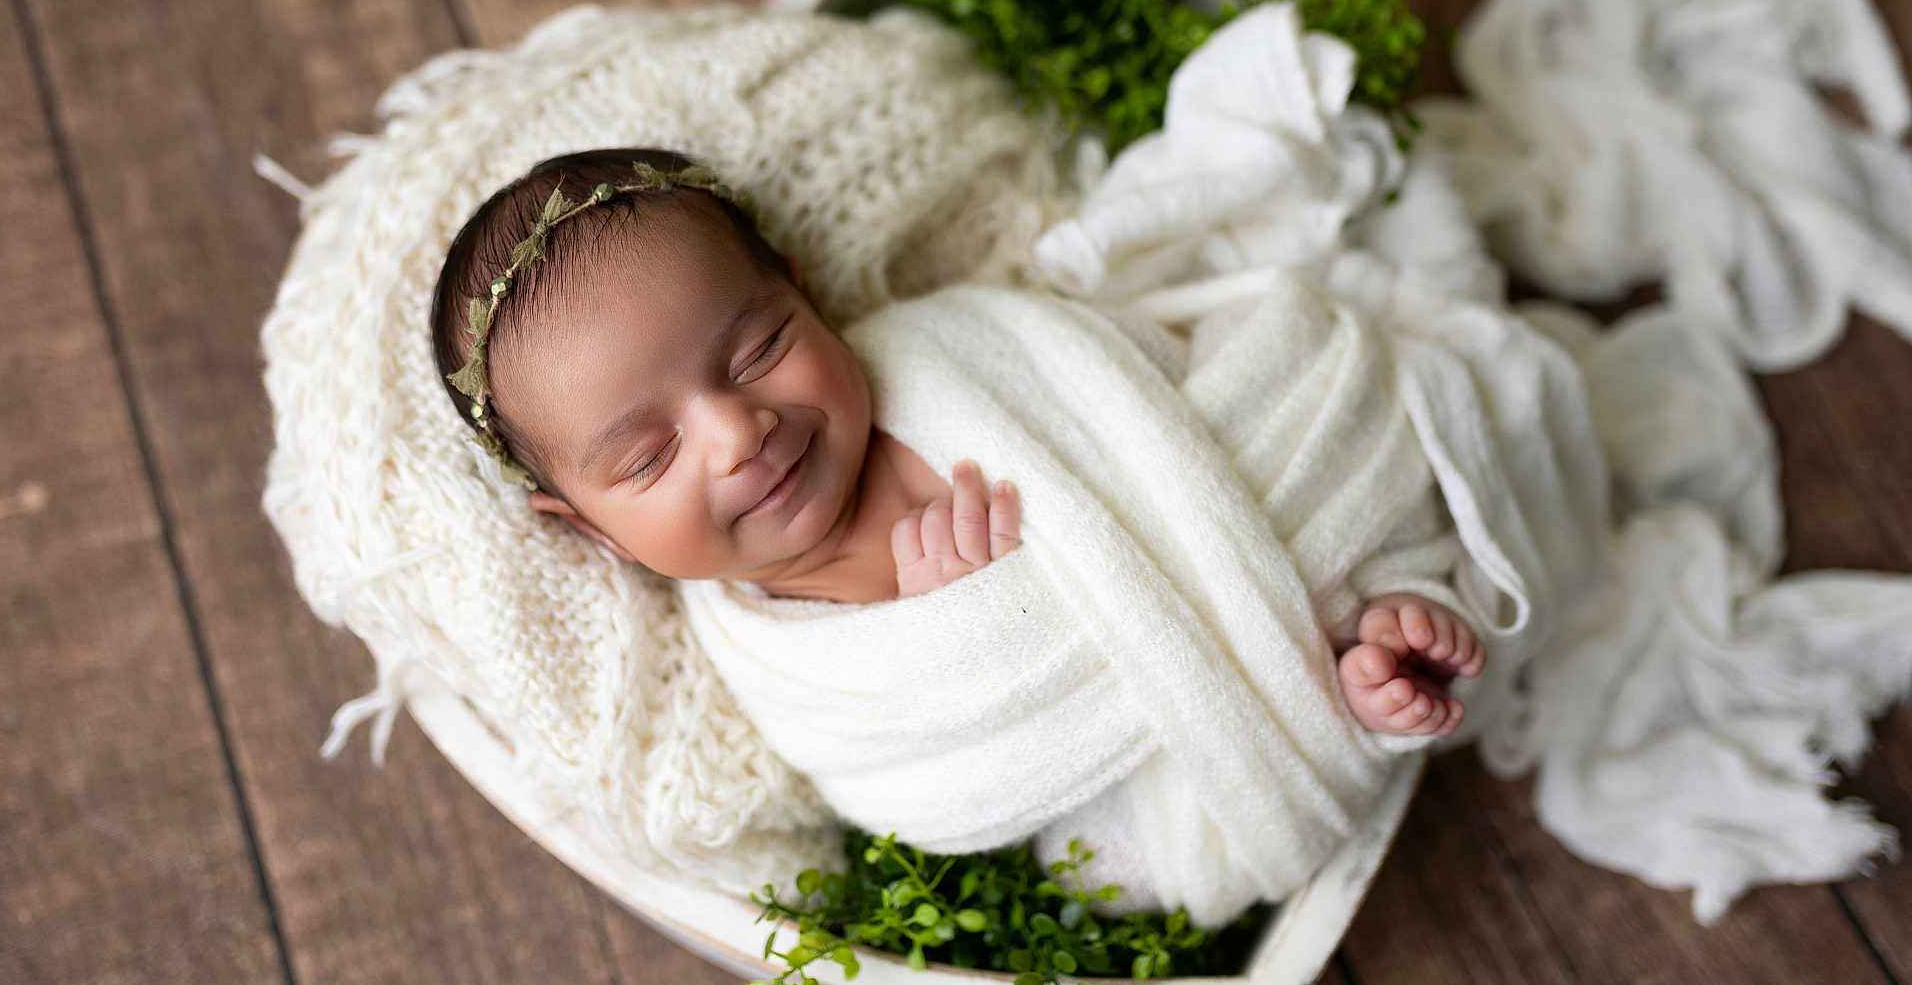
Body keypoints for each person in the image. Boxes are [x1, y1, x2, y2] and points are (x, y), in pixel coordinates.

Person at [433, 146, 1482, 741]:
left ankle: (1370, 613)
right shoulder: (784, 662)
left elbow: (1165, 394)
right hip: (1168, 743)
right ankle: (1337, 687)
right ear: (592, 532)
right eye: (647, 457)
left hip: (1271, 535)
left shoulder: (949, 358)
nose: (736, 430)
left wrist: (1334, 593)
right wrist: (982, 618)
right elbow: (938, 783)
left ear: (804, 291)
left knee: (1359, 486)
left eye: (757, 349)